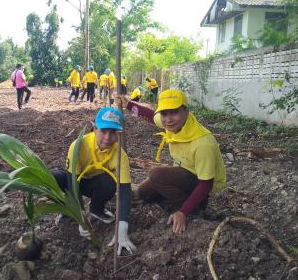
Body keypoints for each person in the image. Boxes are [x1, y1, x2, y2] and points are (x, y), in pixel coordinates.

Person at [116, 89, 226, 234]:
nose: (168, 119)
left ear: (186, 111)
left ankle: (194, 208)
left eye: (174, 112)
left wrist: (183, 211)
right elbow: (150, 116)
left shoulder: (202, 144)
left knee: (156, 174)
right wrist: (128, 105)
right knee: (144, 192)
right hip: (185, 173)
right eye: (164, 113)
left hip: (202, 183)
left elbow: (206, 184)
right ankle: (179, 200)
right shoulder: (174, 124)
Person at [52, 107, 136, 254]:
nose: (108, 137)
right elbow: (73, 183)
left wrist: (122, 228)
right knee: (54, 179)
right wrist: (80, 216)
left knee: (108, 182)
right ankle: (67, 211)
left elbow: (124, 192)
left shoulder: (120, 156)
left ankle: (96, 209)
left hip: (93, 183)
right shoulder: (78, 146)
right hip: (74, 179)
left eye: (113, 132)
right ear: (94, 129)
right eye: (103, 131)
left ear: (119, 133)